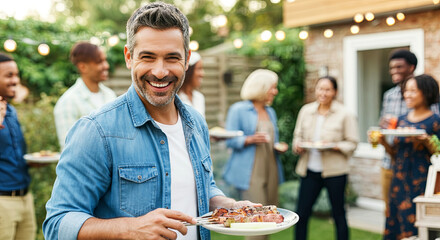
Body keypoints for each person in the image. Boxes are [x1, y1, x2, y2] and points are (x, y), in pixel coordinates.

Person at [43, 3, 257, 240]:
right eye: (148, 57)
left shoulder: (196, 122)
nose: (160, 71)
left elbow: (199, 185)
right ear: (129, 57)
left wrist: (223, 203)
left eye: (172, 58)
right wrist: (129, 228)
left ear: (186, 60)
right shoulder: (97, 130)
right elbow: (57, 223)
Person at [223, 69, 287, 240]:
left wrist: (278, 146)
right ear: (262, 87)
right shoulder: (238, 110)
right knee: (255, 222)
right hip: (251, 173)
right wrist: (249, 139)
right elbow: (229, 140)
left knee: (270, 220)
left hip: (271, 169)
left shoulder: (270, 111)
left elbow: (272, 141)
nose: (275, 91)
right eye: (272, 87)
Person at [292, 76, 359, 240]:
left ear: (335, 92)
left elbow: (352, 143)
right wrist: (298, 145)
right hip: (309, 171)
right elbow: (297, 136)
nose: (323, 93)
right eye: (320, 88)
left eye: (328, 89)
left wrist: (335, 145)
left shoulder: (345, 114)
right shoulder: (306, 111)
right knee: (301, 214)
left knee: (338, 214)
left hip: (335, 172)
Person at [379, 74, 440, 240]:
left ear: (426, 93)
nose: (407, 95)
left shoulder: (435, 121)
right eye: (406, 91)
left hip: (422, 183)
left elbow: (439, 154)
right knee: (395, 223)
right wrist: (383, 141)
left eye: (413, 91)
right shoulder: (401, 120)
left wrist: (427, 141)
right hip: (398, 180)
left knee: (417, 227)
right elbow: (395, 154)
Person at [0, 53, 37, 240]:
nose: (15, 80)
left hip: (25, 197)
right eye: (9, 75)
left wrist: (32, 162)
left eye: (16, 75)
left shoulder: (11, 110)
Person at [53, 41, 116, 150]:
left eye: (105, 60)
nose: (106, 66)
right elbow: (69, 149)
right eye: (99, 62)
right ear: (82, 67)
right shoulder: (68, 102)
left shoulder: (110, 95)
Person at [178, 51, 205, 117]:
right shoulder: (175, 99)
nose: (202, 74)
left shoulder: (199, 97)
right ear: (188, 71)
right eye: (199, 69)